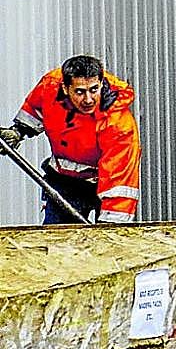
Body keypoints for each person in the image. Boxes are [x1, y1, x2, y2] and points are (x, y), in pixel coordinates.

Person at [0, 55, 141, 224]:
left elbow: (119, 184)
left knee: (107, 243)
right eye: (80, 92)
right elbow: (35, 109)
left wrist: (110, 230)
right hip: (63, 181)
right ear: (65, 88)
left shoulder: (118, 125)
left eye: (94, 89)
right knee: (56, 241)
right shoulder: (50, 87)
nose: (88, 99)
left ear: (102, 83)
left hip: (102, 185)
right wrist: (18, 131)